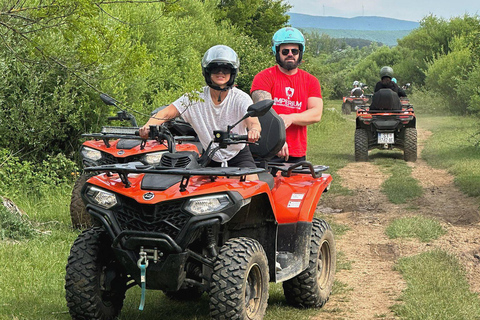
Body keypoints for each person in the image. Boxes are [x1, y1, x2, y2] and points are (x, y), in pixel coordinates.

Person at [139, 45, 261, 179]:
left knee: (251, 185)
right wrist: (148, 126)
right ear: (207, 72)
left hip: (239, 156)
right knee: (193, 193)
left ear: (232, 72)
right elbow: (167, 113)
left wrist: (254, 131)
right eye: (215, 68)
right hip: (209, 157)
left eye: (225, 69)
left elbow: (253, 121)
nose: (220, 72)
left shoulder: (240, 98)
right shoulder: (194, 98)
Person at [250, 27, 323, 163]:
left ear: (300, 53)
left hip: (297, 151)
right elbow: (263, 112)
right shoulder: (264, 77)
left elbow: (316, 113)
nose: (290, 54)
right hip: (266, 150)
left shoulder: (311, 81)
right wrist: (276, 141)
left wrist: (291, 118)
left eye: (294, 51)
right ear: (276, 52)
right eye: (285, 51)